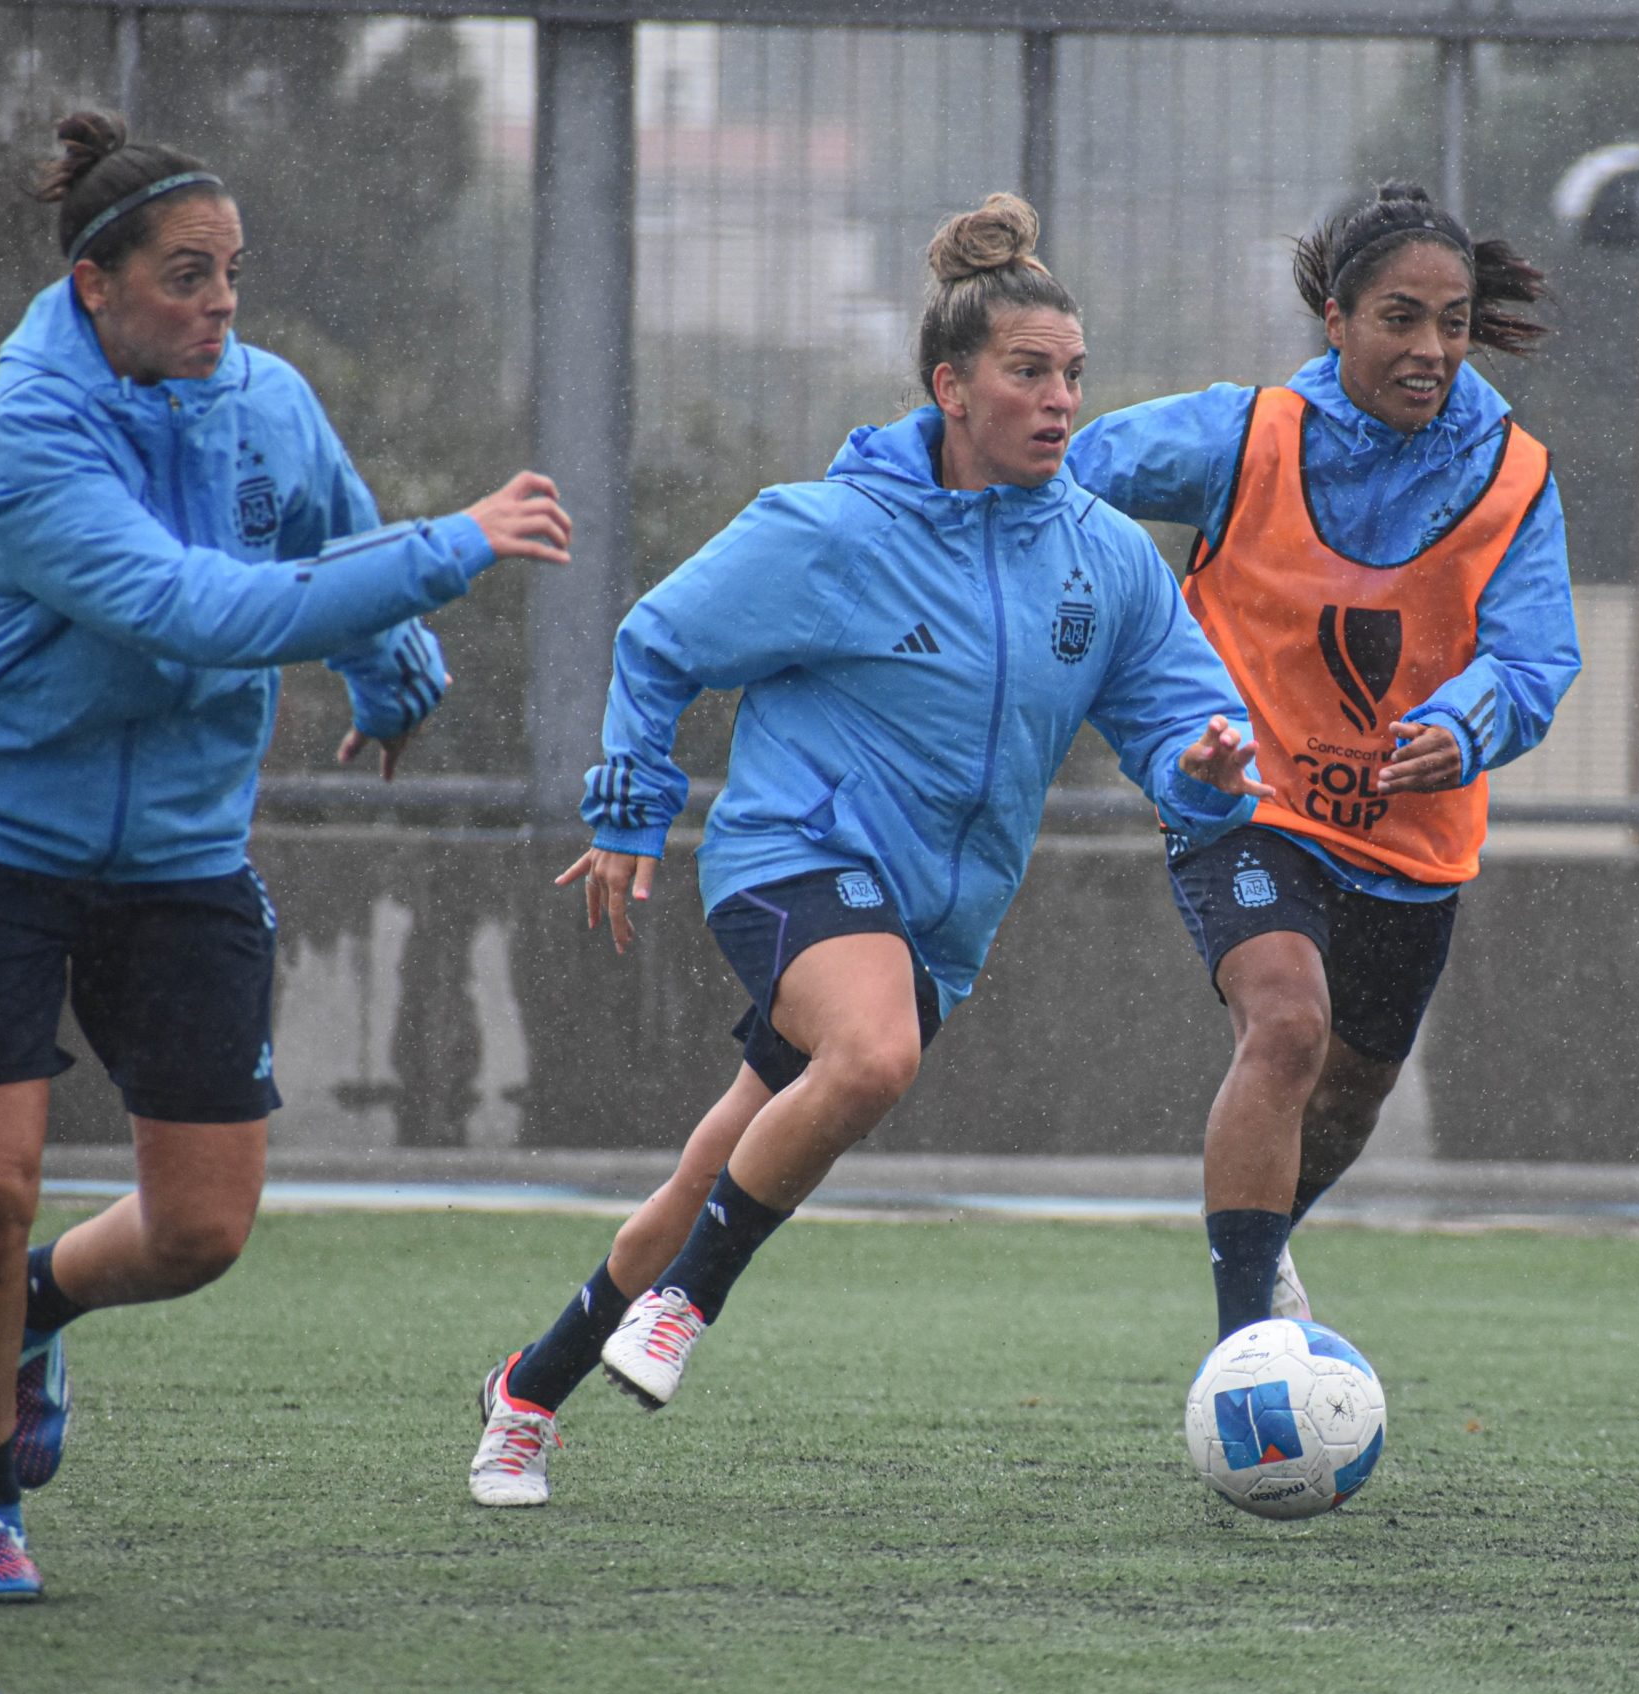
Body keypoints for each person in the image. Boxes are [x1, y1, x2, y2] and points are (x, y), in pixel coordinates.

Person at [467, 193, 1267, 1507]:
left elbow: (1184, 716)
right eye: (1028, 372)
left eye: (1072, 373)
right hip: (793, 854)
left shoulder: (1109, 558)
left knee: (712, 1161)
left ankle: (528, 1390)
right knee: (873, 1054)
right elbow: (659, 641)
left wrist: (1211, 770)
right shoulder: (833, 529)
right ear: (952, 385)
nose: (1060, 399)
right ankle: (690, 1301)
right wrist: (627, 811)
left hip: (937, 927)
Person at [0, 111, 572, 1600]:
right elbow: (203, 608)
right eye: (186, 277)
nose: (219, 306)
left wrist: (395, 683)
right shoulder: (31, 434)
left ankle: (40, 1307)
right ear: (95, 287)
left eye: (233, 276)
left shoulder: (268, 401)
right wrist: (455, 546)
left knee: (199, 1229)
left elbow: (329, 536)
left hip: (183, 853)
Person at [1062, 183, 1579, 1341]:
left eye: (1452, 321)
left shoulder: (1512, 474)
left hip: (1413, 842)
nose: (1431, 348)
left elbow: (1538, 656)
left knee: (1350, 1098)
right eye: (1400, 318)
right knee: (1287, 1024)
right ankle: (1245, 1339)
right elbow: (1057, 468)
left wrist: (1468, 722)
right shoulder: (1236, 435)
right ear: (1334, 320)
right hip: (1249, 802)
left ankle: (1262, 1235)